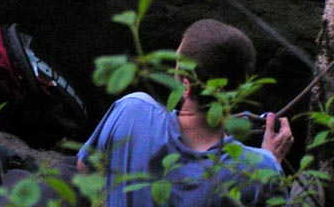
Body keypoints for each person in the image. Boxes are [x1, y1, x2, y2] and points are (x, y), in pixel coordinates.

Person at [77, 19, 294, 206]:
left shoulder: (132, 108)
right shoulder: (258, 168)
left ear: (186, 86)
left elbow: (84, 169)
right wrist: (271, 162)